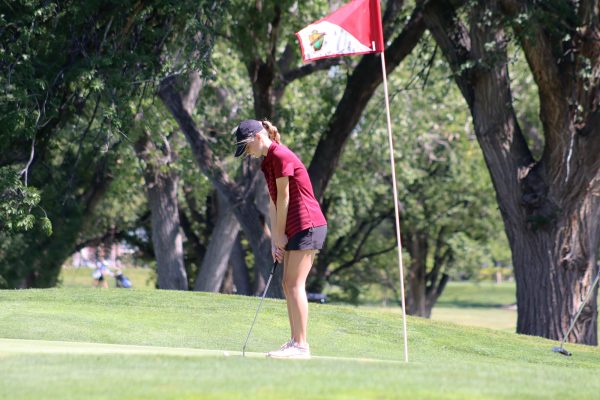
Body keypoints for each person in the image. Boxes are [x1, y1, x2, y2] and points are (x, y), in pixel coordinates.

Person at [234, 119, 327, 360]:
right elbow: (275, 202)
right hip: (296, 226)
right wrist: (277, 237)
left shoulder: (280, 155)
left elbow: (285, 197)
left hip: (307, 223)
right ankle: (296, 341)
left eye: (246, 147)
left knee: (295, 284)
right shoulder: (268, 162)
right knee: (288, 284)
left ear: (257, 137)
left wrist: (280, 234)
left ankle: (302, 345)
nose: (247, 153)